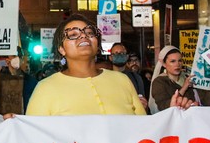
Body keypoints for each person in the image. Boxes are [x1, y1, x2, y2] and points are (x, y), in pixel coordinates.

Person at [26, 14, 175, 116]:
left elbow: (145, 132)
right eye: (72, 35)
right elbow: (32, 138)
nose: (83, 36)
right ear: (61, 49)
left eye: (90, 33)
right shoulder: (45, 88)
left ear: (97, 44)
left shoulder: (122, 81)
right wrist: (11, 126)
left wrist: (174, 113)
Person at [149, 45, 198, 112]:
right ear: (164, 64)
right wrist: (184, 88)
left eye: (180, 61)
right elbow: (163, 106)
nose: (177, 64)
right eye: (173, 61)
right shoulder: (159, 82)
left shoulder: (187, 79)